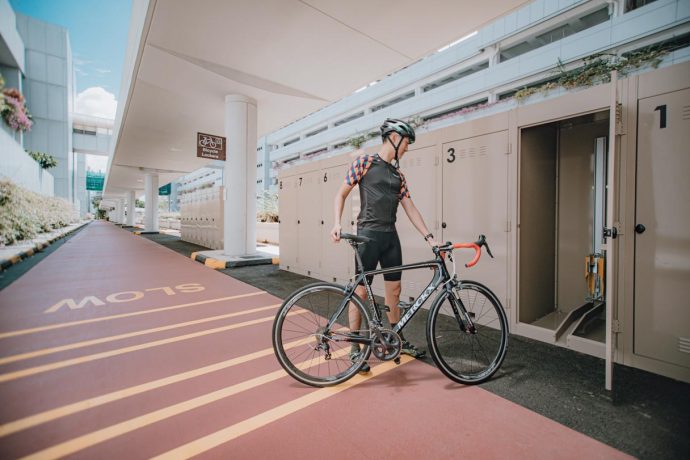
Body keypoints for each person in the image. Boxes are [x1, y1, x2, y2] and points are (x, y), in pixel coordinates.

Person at [330, 118, 439, 372]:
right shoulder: (364, 163)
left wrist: (430, 237)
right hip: (367, 236)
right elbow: (341, 193)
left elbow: (410, 208)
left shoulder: (398, 175)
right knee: (361, 292)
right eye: (406, 142)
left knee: (395, 290)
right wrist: (336, 223)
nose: (408, 148)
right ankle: (355, 348)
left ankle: (395, 338)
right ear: (393, 137)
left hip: (391, 238)